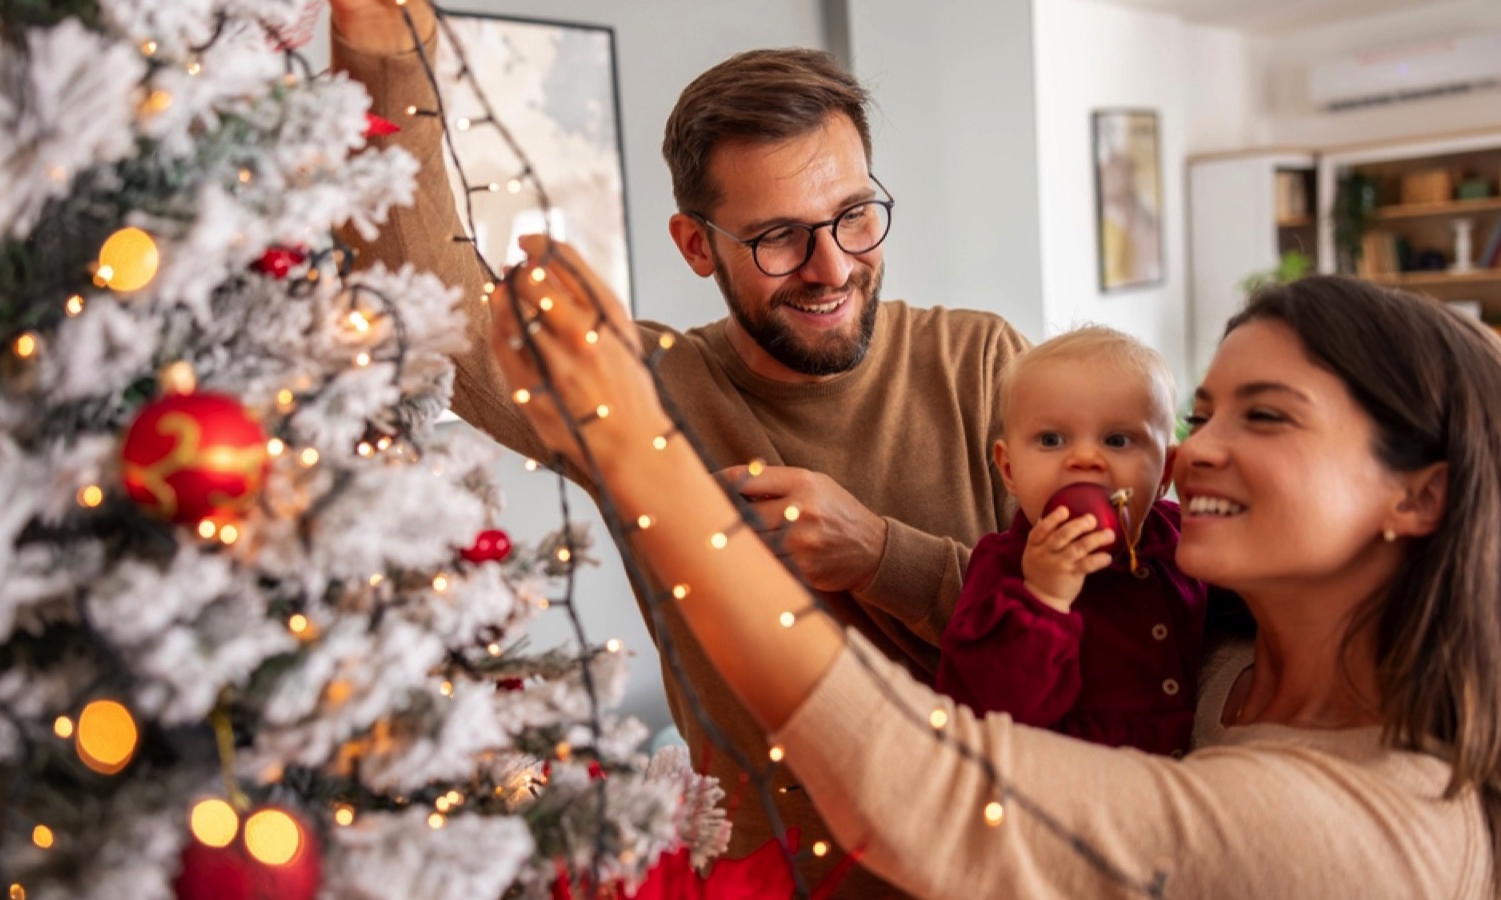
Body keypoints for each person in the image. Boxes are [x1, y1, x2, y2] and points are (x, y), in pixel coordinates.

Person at [489, 258, 1500, 897]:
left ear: (1417, 499)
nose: (1191, 456)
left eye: (1265, 415)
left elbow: (922, 785)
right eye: (1201, 416)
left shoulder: (1358, 831)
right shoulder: (1228, 647)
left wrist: (636, 447)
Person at [328, 4, 1026, 890]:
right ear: (697, 245)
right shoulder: (637, 388)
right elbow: (435, 303)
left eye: (854, 214)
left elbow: (1100, 628)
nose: (834, 266)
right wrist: (386, 45)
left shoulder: (986, 362)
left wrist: (882, 555)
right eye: (779, 238)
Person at [935, 327, 1206, 757]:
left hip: (1184, 786)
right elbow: (984, 712)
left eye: (1118, 440)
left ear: (1165, 473)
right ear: (1009, 470)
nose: (1084, 459)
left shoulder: (1184, 541)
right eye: (1051, 440)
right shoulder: (1002, 568)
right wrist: (1044, 598)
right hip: (1072, 796)